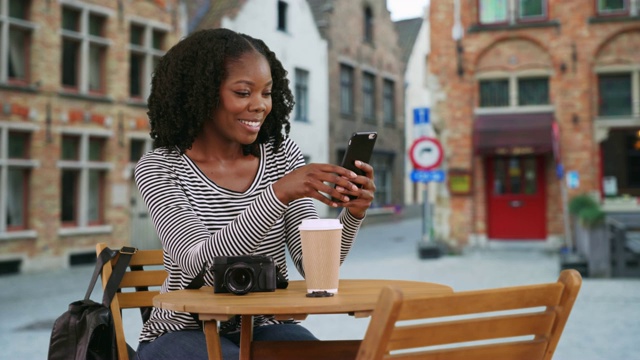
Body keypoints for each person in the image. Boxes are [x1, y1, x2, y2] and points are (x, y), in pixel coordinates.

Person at [134, 28, 376, 360]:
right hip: (183, 330)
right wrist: (277, 194)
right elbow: (196, 262)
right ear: (203, 93)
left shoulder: (282, 156)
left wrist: (352, 215)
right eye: (244, 92)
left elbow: (316, 267)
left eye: (266, 92)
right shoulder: (161, 167)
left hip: (265, 324)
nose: (260, 105)